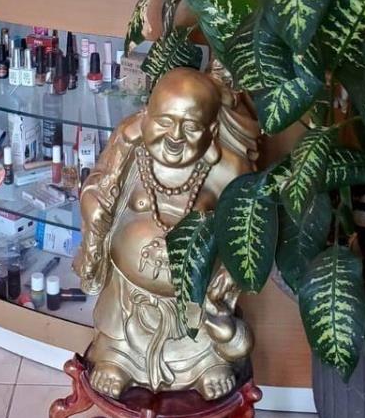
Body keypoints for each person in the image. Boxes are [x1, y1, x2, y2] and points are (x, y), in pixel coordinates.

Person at [75, 67, 259, 400]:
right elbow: (96, 185)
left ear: (211, 130)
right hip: (127, 294)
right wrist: (96, 207)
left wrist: (225, 281)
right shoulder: (129, 149)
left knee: (208, 343)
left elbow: (245, 231)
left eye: (190, 127)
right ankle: (118, 359)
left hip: (193, 302)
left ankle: (203, 365)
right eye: (164, 121)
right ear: (146, 115)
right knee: (116, 341)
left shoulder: (227, 169)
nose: (175, 136)